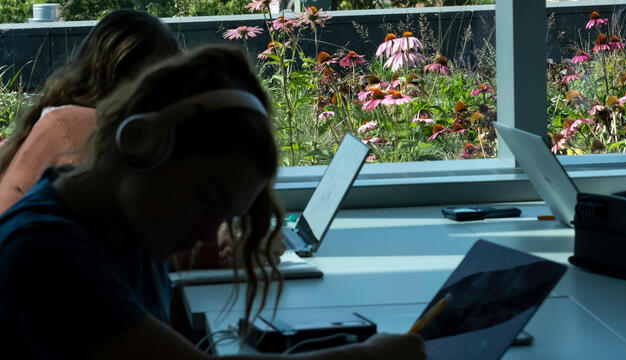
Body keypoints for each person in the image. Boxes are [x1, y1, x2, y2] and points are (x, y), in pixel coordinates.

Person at [0, 44, 426, 359]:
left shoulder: (118, 230)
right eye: (205, 198)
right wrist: (369, 356)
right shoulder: (43, 254)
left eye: (224, 216)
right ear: (139, 143)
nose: (206, 232)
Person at [0, 9, 180, 215]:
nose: (160, 101)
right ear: (103, 72)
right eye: (148, 86)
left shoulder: (59, 118)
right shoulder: (82, 128)